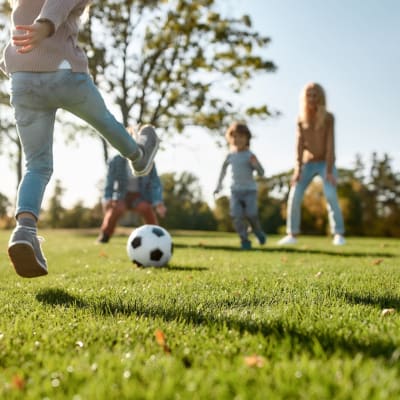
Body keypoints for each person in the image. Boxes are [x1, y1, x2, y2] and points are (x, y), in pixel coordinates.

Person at [1, 1, 160, 278]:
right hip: (65, 73)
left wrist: (15, 63)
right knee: (107, 123)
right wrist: (46, 24)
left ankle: (25, 229)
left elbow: (18, 31)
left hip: (22, 80)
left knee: (36, 167)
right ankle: (138, 156)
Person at [278, 82, 345, 246]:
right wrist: (297, 170)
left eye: (315, 95)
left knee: (330, 194)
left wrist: (329, 170)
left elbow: (330, 145)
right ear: (304, 98)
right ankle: (292, 234)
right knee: (294, 194)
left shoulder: (329, 118)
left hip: (325, 164)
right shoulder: (300, 119)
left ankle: (338, 233)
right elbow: (299, 146)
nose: (312, 98)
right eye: (309, 95)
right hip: (307, 163)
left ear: (321, 97)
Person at [214, 121, 266, 250]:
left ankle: (257, 231)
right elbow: (222, 171)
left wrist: (255, 164)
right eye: (235, 136)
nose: (238, 139)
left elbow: (261, 172)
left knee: (251, 214)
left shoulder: (250, 155)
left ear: (247, 138)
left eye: (241, 136)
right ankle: (244, 240)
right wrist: (218, 186)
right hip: (235, 191)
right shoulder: (230, 156)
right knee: (237, 217)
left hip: (250, 191)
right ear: (230, 138)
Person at [97, 153, 167, 243]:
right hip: (121, 195)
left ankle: (157, 237)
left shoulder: (147, 161)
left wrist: (158, 202)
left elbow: (155, 182)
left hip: (139, 196)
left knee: (146, 208)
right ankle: (105, 235)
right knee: (117, 209)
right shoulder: (116, 160)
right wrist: (107, 198)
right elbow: (109, 180)